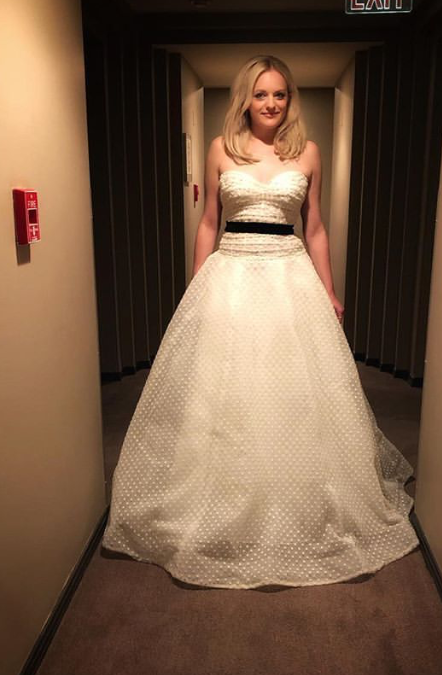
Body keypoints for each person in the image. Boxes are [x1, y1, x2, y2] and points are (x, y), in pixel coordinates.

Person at [102, 55, 420, 589]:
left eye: (279, 94)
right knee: (224, 388)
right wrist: (197, 285)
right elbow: (209, 222)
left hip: (289, 275)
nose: (270, 103)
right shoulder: (220, 149)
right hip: (230, 272)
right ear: (245, 99)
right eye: (260, 94)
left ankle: (297, 495)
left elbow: (314, 227)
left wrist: (329, 289)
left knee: (291, 388)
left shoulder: (308, 152)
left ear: (289, 99)